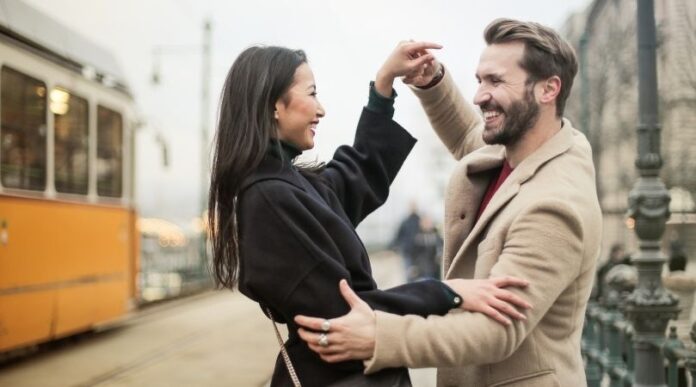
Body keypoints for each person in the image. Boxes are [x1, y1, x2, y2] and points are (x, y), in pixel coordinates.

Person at [296, 18, 602, 387]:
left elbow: (495, 330)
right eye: (479, 80)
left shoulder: (555, 203)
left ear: (548, 89)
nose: (479, 96)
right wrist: (431, 80)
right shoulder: (520, 150)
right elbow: (470, 137)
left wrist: (379, 336)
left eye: (496, 81)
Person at [208, 43, 532, 387]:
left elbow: (355, 175)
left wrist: (383, 86)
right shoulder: (270, 197)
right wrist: (448, 293)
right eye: (312, 93)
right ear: (274, 104)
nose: (321, 110)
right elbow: (345, 313)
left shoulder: (287, 184)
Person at [389, 202, 421, 280]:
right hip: (407, 251)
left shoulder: (420, 221)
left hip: (419, 253)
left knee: (418, 273)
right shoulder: (405, 222)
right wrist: (392, 246)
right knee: (409, 273)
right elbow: (398, 235)